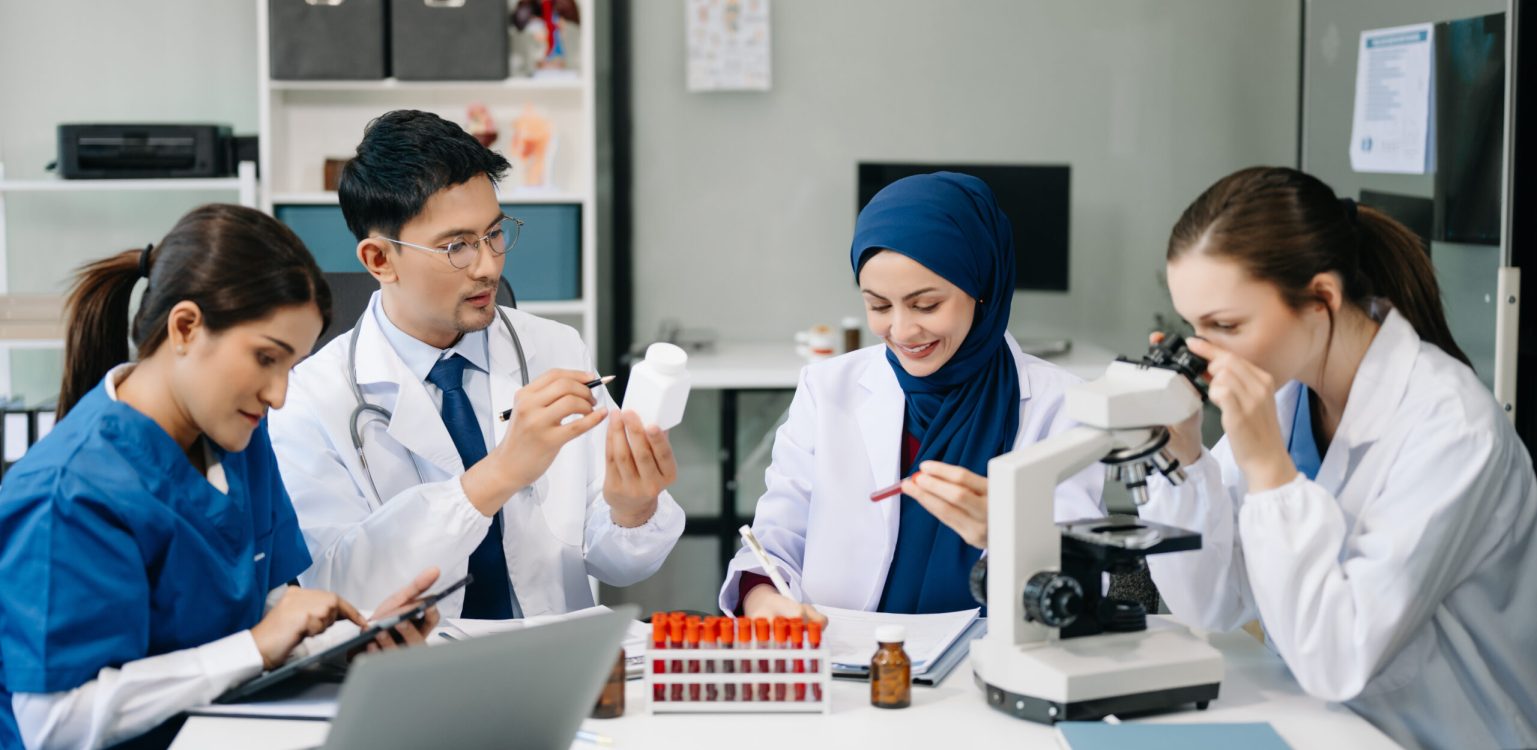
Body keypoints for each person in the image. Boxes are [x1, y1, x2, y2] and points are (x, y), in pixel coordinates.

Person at [0, 204, 440, 750]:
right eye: (265, 358)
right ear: (185, 327)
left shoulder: (237, 438)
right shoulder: (67, 492)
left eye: (291, 367)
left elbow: (259, 602)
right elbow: (54, 724)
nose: (278, 394)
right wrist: (257, 646)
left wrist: (346, 638)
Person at [1140, 166, 1537, 750]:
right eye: (1192, 326)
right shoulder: (1286, 395)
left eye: (1224, 325)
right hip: (1324, 726)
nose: (1201, 352)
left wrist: (1272, 475)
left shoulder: (1452, 427)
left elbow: (1338, 657)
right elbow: (1211, 602)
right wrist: (1185, 459)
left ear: (1321, 298)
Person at [269, 110, 684, 617]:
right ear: (380, 260)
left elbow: (616, 563)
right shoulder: (309, 399)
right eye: (458, 247)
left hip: (554, 661)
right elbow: (339, 586)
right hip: (414, 677)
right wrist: (500, 473)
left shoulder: (555, 348)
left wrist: (632, 508)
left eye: (494, 234)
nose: (488, 265)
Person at [719, 172, 1104, 620]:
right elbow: (775, 540)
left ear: (984, 288)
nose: (901, 331)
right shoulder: (826, 390)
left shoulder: (1063, 407)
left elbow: (1085, 582)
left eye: (926, 305)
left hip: (990, 666)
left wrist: (1009, 534)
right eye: (879, 306)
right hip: (845, 662)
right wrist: (766, 602)